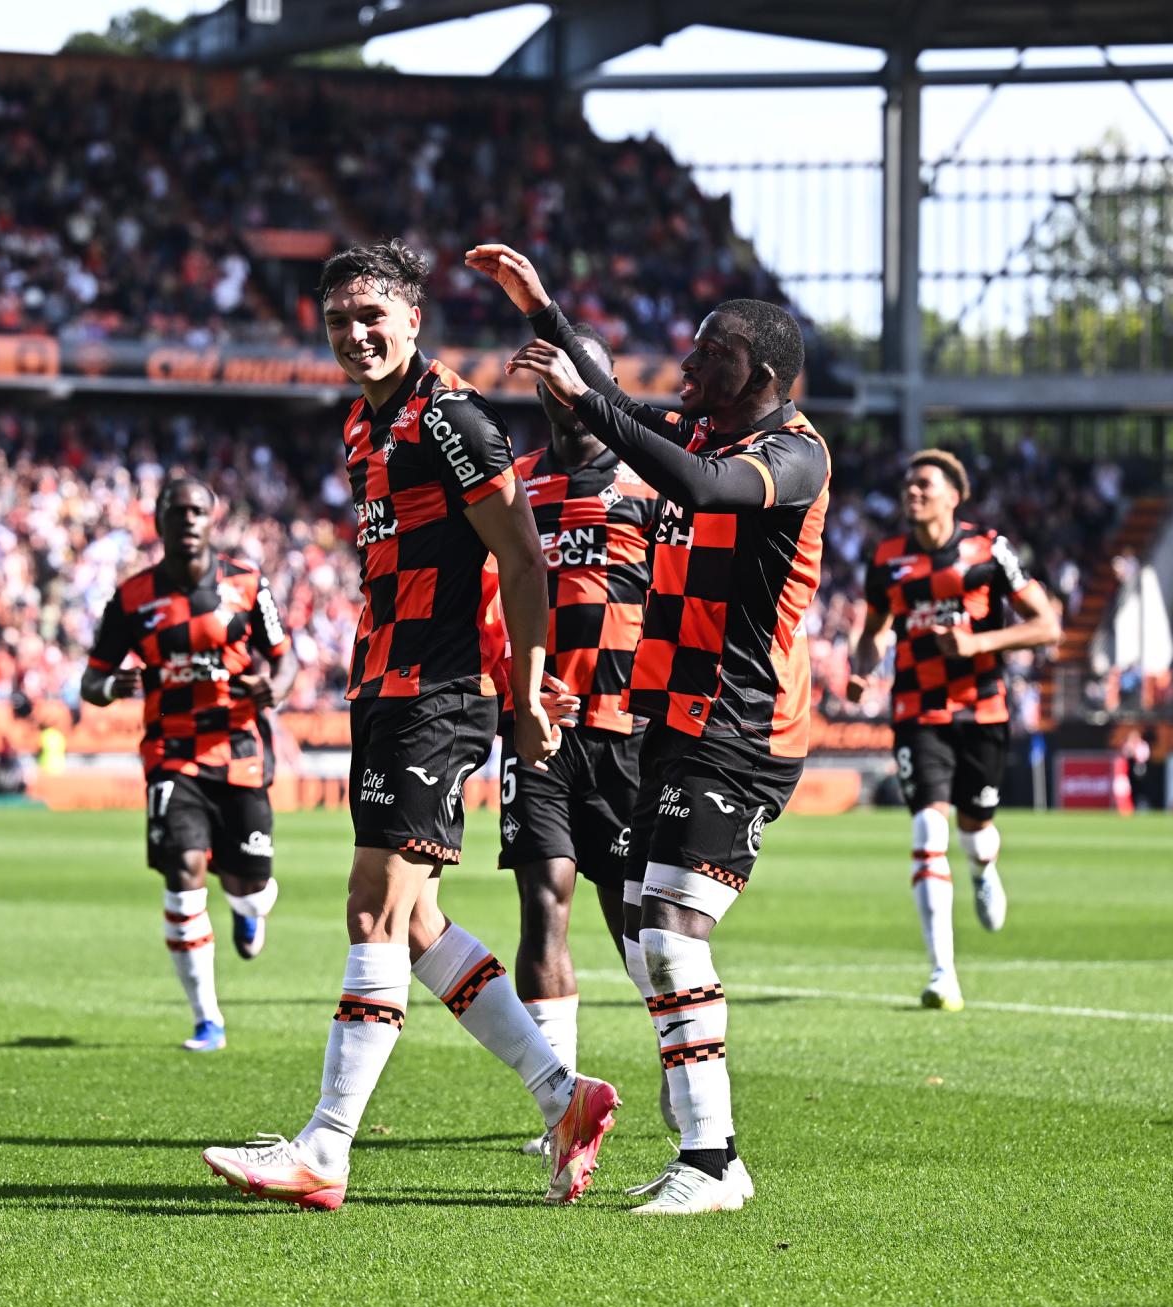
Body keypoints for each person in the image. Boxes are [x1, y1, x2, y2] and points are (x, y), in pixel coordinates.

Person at [203, 240, 618, 1211]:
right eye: (338, 319)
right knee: (419, 921)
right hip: (385, 687)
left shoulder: (450, 418)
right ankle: (563, 1096)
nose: (355, 334)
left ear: (412, 320)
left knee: (372, 912)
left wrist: (525, 695)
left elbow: (522, 559)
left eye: (371, 316)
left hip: (438, 691)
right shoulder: (365, 425)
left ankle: (325, 1147)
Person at [470, 241, 831, 1215]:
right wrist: (542, 307)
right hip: (669, 718)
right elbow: (609, 397)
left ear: (759, 374)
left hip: (742, 725)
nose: (686, 366)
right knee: (641, 929)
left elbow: (700, 486)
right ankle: (695, 1123)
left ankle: (711, 1159)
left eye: (709, 354)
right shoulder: (700, 429)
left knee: (668, 934)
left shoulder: (793, 454)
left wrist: (592, 405)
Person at [496, 323, 662, 1154]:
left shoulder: (651, 484)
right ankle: (559, 1100)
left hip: (626, 731)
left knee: (635, 919)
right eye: (556, 379)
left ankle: (682, 1058)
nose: (567, 392)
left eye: (582, 377)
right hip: (537, 728)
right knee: (543, 899)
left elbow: (684, 603)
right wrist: (518, 686)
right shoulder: (515, 485)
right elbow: (490, 596)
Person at [81, 476, 295, 1053]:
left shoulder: (246, 583)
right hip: (170, 756)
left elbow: (285, 658)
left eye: (198, 510)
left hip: (240, 750)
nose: (188, 520)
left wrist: (275, 688)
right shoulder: (132, 598)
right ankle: (207, 1020)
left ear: (212, 518)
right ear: (158, 520)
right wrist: (112, 685)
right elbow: (90, 681)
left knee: (250, 886)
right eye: (177, 511)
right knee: (183, 876)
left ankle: (248, 909)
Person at [848, 451, 1062, 1011]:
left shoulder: (989, 550)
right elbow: (873, 632)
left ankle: (984, 868)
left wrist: (978, 643)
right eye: (908, 484)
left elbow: (1047, 625)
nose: (912, 492)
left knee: (976, 830)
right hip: (917, 712)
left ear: (953, 496)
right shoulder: (887, 558)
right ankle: (943, 974)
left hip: (982, 709)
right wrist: (861, 669)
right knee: (927, 830)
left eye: (924, 484)